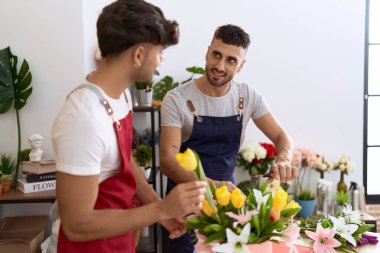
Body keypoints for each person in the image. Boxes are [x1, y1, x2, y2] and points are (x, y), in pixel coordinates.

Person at [51, 1, 206, 253]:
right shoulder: (83, 118)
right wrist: (162, 208)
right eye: (159, 51)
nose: (161, 59)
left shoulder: (120, 95)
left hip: (118, 242)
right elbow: (76, 224)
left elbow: (124, 159)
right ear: (138, 54)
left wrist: (157, 207)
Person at [160, 24, 297, 252]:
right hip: (184, 207)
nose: (220, 66)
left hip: (228, 208)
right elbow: (167, 160)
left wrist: (284, 158)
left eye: (231, 60)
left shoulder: (247, 96)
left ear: (241, 65)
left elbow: (283, 137)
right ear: (207, 52)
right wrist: (212, 186)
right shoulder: (177, 99)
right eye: (216, 55)